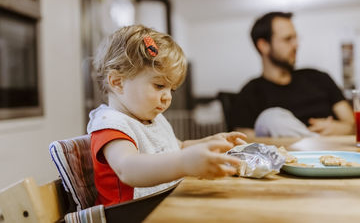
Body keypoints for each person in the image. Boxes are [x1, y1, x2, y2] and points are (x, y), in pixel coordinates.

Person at [88, 25, 247, 206]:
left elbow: (177, 147)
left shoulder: (149, 119)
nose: (168, 97)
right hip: (128, 215)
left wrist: (211, 143)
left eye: (172, 89)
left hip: (160, 207)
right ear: (117, 82)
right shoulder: (111, 125)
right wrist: (184, 163)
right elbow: (128, 168)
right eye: (159, 86)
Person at [230, 11, 355, 138]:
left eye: (295, 38)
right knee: (271, 118)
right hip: (287, 155)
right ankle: (309, 139)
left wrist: (337, 128)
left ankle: (309, 140)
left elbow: (353, 124)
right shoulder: (250, 93)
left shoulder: (319, 78)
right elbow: (244, 139)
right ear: (264, 45)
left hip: (332, 151)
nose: (296, 45)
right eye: (287, 39)